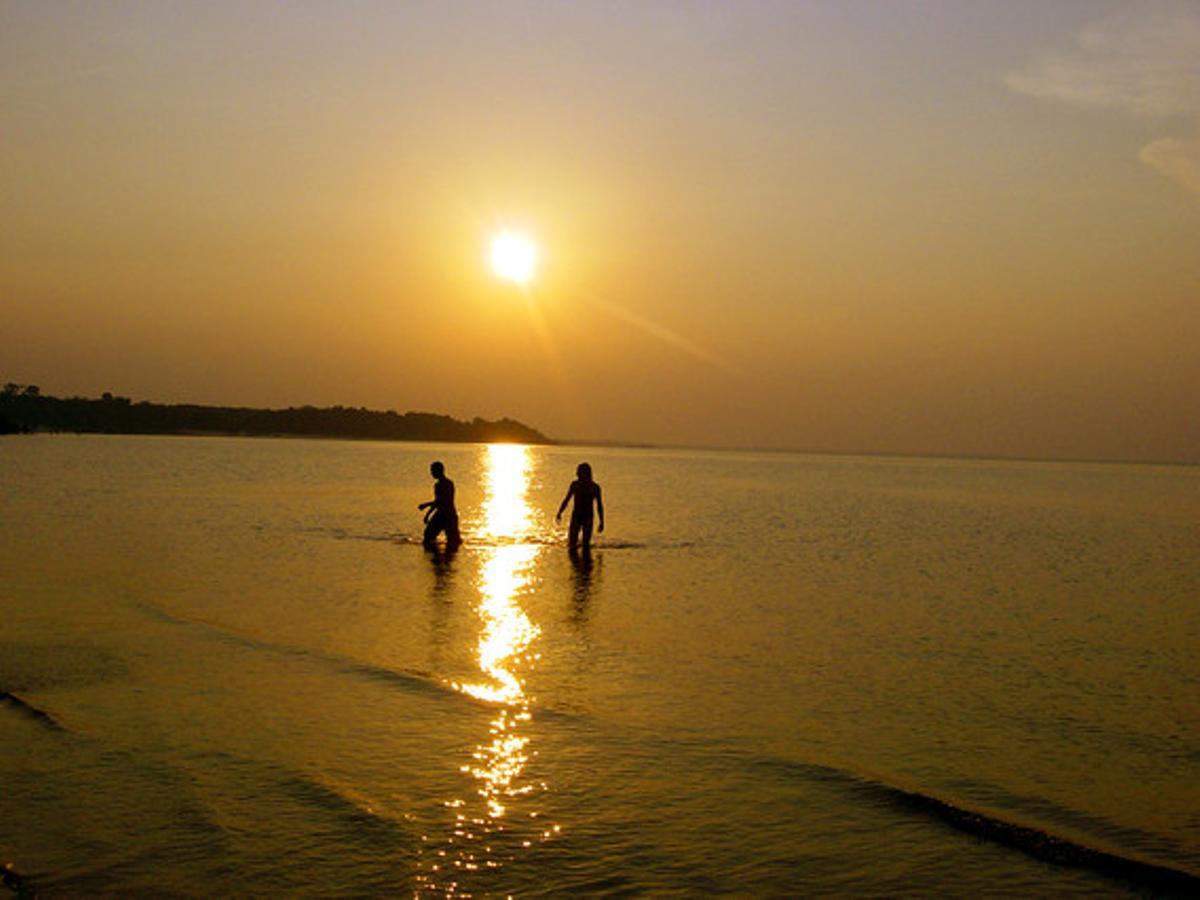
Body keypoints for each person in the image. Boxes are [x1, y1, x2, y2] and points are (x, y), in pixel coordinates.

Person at [556, 462, 604, 552]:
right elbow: (567, 499)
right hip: (576, 516)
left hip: (588, 517)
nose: (577, 474)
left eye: (580, 472)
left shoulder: (595, 487)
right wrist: (560, 512)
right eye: (578, 472)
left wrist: (601, 521)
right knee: (572, 544)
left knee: (586, 544)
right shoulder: (575, 485)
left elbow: (599, 506)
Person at [418, 461, 461, 550]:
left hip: (449, 515)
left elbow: (443, 501)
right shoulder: (437, 485)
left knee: (453, 541)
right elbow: (437, 502)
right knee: (428, 536)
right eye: (431, 471)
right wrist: (427, 515)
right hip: (440, 514)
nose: (432, 473)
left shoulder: (447, 484)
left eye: (433, 471)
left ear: (439, 471)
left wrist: (426, 505)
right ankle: (433, 552)